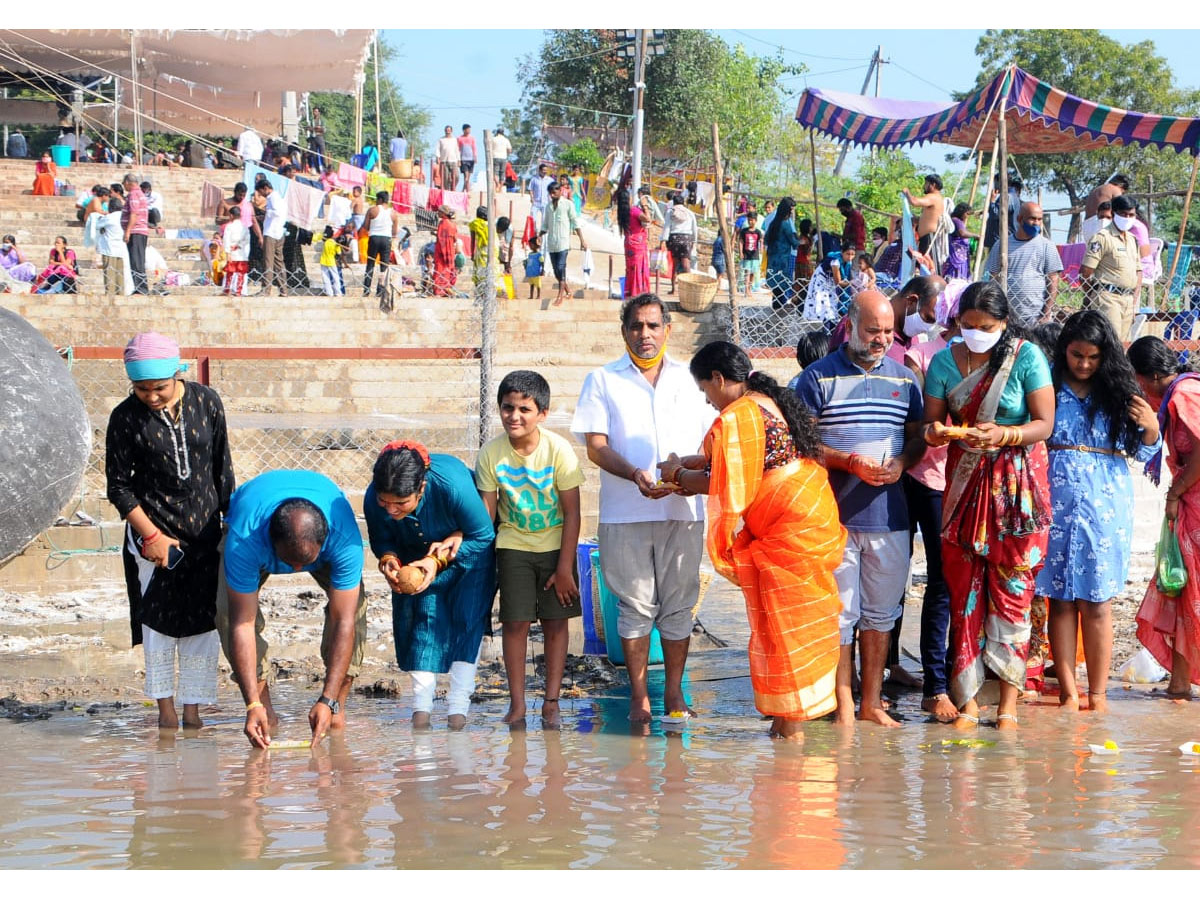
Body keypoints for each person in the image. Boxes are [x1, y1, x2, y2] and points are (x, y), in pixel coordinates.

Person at [657, 342, 845, 741]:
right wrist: (688, 468)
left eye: (706, 389)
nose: (707, 400)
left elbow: (723, 482)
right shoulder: (766, 400)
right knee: (788, 624)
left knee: (788, 625)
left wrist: (676, 476)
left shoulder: (739, 415)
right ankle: (784, 722)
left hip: (789, 528)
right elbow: (733, 464)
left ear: (719, 379)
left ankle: (792, 731)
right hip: (808, 516)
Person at [571, 294, 713, 725]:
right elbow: (596, 447)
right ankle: (638, 696)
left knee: (678, 605)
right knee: (633, 607)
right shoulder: (602, 379)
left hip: (684, 510)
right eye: (637, 326)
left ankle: (672, 692)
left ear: (668, 329)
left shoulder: (692, 379)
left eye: (653, 326)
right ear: (624, 331)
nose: (645, 334)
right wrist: (634, 473)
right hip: (624, 511)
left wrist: (687, 478)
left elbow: (712, 439)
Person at [922, 281, 1055, 730]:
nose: (977, 333)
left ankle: (1009, 707)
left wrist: (1003, 435)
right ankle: (970, 703)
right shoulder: (943, 361)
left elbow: (1044, 423)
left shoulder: (1025, 357)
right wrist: (936, 434)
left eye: (987, 326)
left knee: (1013, 593)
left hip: (1017, 491)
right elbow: (931, 423)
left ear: (1003, 324)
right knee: (964, 593)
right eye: (968, 326)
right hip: (963, 487)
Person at [795, 291, 927, 727]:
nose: (882, 340)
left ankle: (871, 702)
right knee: (839, 616)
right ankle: (842, 704)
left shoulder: (905, 379)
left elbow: (916, 437)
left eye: (888, 332)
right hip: (833, 518)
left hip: (890, 516)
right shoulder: (816, 378)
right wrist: (846, 461)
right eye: (873, 330)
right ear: (850, 324)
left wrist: (903, 462)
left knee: (880, 614)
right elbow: (804, 445)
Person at [105, 332, 235, 730]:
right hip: (154, 537)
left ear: (177, 374)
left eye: (158, 387)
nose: (151, 396)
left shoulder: (207, 403)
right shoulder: (125, 418)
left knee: (203, 620)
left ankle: (193, 713)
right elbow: (118, 487)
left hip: (204, 535)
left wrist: (229, 529)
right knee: (158, 622)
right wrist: (150, 537)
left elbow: (222, 469)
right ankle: (165, 712)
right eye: (141, 389)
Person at [1033, 312, 1160, 712]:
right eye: (1076, 355)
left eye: (1092, 357)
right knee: (1061, 599)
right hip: (1054, 500)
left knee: (1098, 601)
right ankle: (1070, 692)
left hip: (1105, 505)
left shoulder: (1119, 393)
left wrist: (1153, 429)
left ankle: (1099, 694)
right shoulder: (1047, 387)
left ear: (1105, 357)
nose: (1084, 364)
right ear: (1063, 351)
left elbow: (1143, 451)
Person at [218, 469, 368, 748]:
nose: (296, 571)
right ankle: (264, 712)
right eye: (288, 562)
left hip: (324, 533)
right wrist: (251, 704)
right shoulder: (245, 540)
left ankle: (335, 710)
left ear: (324, 543)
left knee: (355, 611)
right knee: (227, 613)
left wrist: (328, 698)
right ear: (271, 543)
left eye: (305, 562)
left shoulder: (344, 538)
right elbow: (242, 625)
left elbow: (344, 621)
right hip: (251, 517)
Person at [476, 371, 584, 729]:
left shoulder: (559, 450)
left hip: (556, 548)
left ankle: (551, 702)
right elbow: (487, 516)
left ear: (543, 413)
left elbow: (572, 512)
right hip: (512, 547)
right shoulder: (491, 454)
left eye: (525, 409)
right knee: (515, 623)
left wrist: (565, 567)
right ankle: (518, 703)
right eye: (508, 408)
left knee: (556, 623)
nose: (514, 416)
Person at [365, 441, 495, 730]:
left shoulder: (451, 486)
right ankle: (421, 713)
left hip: (468, 558)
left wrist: (437, 561)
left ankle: (458, 713)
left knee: (466, 622)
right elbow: (381, 537)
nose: (391, 510)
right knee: (424, 624)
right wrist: (388, 558)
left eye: (401, 504)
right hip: (415, 560)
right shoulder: (374, 498)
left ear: (421, 489)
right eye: (385, 502)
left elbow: (483, 534)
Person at [902, 280, 964, 721]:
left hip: (972, 479)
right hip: (927, 476)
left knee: (962, 579)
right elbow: (921, 417)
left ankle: (960, 674)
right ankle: (934, 684)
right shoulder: (923, 355)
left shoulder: (1001, 360)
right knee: (937, 579)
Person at [1128, 335, 1200, 701]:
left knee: (1190, 591)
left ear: (1153, 377)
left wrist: (1174, 493)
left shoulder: (1185, 396)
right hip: (1189, 502)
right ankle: (1179, 683)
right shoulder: (1180, 394)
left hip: (1192, 501)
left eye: (1139, 382)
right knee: (1180, 589)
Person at [985, 202, 1063, 327]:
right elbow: (993, 277)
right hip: (1007, 316)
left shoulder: (1046, 246)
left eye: (1039, 219)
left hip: (1035, 317)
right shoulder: (1002, 245)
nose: (1036, 223)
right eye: (1032, 218)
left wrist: (1046, 314)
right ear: (1020, 219)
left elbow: (1053, 279)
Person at [1080, 194, 1142, 341]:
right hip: (1108, 297)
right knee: (1110, 342)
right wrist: (1095, 293)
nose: (1127, 217)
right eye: (1123, 214)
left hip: (1128, 299)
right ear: (1114, 213)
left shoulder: (1133, 240)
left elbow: (1138, 271)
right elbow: (1085, 271)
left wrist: (1133, 300)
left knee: (1124, 344)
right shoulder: (1102, 237)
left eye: (1131, 214)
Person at [540, 180, 588, 307]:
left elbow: (575, 222)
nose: (552, 194)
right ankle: (568, 291)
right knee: (556, 271)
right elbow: (545, 224)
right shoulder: (548, 207)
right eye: (550, 192)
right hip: (552, 244)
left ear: (560, 191)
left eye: (554, 191)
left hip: (563, 243)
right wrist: (539, 236)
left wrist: (582, 240)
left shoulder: (568, 205)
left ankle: (560, 296)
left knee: (561, 268)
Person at [363, 190, 399, 305]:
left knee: (370, 264)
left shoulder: (372, 210)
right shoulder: (393, 213)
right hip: (386, 239)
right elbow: (394, 231)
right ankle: (380, 290)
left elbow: (366, 226)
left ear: (379, 200)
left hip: (374, 238)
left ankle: (366, 289)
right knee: (384, 267)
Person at [661, 191, 698, 296]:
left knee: (674, 264)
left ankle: (674, 289)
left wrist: (663, 240)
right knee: (686, 264)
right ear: (683, 202)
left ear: (673, 202)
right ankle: (690, 290)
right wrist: (694, 241)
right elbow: (695, 228)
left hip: (674, 239)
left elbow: (667, 227)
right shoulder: (689, 212)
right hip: (687, 239)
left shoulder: (670, 212)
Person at [765, 197, 800, 309]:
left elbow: (766, 239)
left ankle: (776, 307)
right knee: (781, 286)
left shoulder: (773, 223)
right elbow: (794, 241)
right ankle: (779, 309)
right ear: (787, 210)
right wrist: (801, 241)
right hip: (783, 259)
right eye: (791, 210)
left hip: (772, 259)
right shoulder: (785, 224)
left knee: (776, 286)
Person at [96, 195, 133, 295]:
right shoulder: (124, 217)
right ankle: (120, 295)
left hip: (109, 250)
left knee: (110, 275)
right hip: (121, 250)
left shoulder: (109, 217)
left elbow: (97, 225)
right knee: (119, 275)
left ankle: (110, 297)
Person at [257, 179, 288, 297]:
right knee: (278, 262)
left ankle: (266, 289)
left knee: (268, 261)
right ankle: (283, 289)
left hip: (272, 233)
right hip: (279, 232)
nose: (261, 195)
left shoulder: (273, 198)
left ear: (265, 188)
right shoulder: (278, 197)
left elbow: (277, 213)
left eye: (261, 192)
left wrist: (266, 213)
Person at [122, 173, 151, 295]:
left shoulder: (134, 194)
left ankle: (141, 288)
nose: (124, 186)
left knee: (136, 261)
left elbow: (134, 214)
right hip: (139, 231)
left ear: (128, 182)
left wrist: (127, 231)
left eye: (124, 183)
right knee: (136, 260)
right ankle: (139, 286)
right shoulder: (140, 194)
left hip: (136, 231)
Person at [904, 174, 946, 257]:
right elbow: (927, 219)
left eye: (926, 184)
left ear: (933, 185)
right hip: (925, 239)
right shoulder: (935, 198)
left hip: (929, 238)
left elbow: (914, 201)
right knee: (919, 264)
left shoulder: (933, 197)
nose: (924, 186)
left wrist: (906, 192)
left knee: (925, 265)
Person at [1082, 174, 1129, 241]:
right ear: (1122, 186)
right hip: (1102, 222)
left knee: (1093, 250)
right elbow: (1121, 207)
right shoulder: (1115, 189)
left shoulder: (1096, 190)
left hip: (1087, 225)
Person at [222, 206, 250, 296]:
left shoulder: (229, 227)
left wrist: (227, 252)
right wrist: (239, 245)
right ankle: (239, 290)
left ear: (231, 215)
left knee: (230, 272)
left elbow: (226, 240)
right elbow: (247, 240)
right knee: (240, 273)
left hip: (232, 251)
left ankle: (227, 289)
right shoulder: (245, 227)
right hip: (241, 253)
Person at [944, 203, 976, 280]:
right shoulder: (956, 221)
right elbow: (962, 233)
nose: (967, 216)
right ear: (961, 212)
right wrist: (976, 235)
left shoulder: (958, 221)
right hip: (957, 254)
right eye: (967, 214)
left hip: (961, 254)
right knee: (956, 273)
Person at [433, 205, 458, 297]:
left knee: (440, 269)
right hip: (450, 250)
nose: (438, 213)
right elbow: (455, 238)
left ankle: (439, 291)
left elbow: (440, 237)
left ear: (443, 213)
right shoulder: (453, 224)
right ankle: (447, 288)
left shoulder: (442, 223)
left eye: (439, 212)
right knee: (448, 269)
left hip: (440, 250)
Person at [737, 211, 763, 297]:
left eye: (752, 220)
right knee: (747, 272)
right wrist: (740, 252)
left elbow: (761, 241)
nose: (750, 222)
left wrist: (761, 248)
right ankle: (746, 290)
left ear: (756, 221)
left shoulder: (758, 232)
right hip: (746, 255)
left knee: (752, 273)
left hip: (755, 256)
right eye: (749, 220)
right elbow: (741, 242)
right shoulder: (744, 231)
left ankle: (750, 288)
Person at [318, 224, 345, 297]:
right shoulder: (335, 244)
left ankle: (329, 292)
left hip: (323, 261)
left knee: (325, 277)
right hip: (331, 262)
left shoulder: (326, 242)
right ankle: (338, 292)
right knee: (335, 277)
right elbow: (339, 253)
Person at [436, 126, 461, 193]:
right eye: (447, 130)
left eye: (449, 130)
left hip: (453, 160)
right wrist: (438, 157)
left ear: (451, 131)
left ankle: (453, 187)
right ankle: (447, 191)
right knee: (445, 178)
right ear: (445, 131)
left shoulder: (454, 140)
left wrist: (459, 160)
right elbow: (438, 149)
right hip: (444, 160)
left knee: (456, 176)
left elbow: (457, 150)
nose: (448, 131)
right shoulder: (441, 139)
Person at [491, 128, 512, 192]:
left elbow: (489, 148)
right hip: (503, 157)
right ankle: (500, 187)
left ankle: (497, 185)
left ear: (497, 133)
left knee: (495, 173)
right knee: (502, 173)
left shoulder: (493, 139)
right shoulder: (506, 140)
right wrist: (507, 154)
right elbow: (510, 150)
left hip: (495, 157)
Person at [524, 233, 543, 300]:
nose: (530, 246)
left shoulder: (539, 254)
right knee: (531, 284)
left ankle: (538, 295)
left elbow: (542, 262)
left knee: (538, 284)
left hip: (536, 272)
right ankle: (531, 295)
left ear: (535, 245)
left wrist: (542, 270)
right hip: (530, 272)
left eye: (531, 245)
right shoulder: (530, 254)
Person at [457, 124, 477, 191]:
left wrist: (475, 157)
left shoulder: (472, 138)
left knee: (468, 177)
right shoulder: (460, 138)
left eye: (469, 129)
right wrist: (458, 159)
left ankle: (464, 189)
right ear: (464, 130)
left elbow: (474, 148)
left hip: (471, 159)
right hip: (463, 159)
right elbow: (458, 149)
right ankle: (466, 190)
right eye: (467, 129)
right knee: (466, 176)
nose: (469, 130)